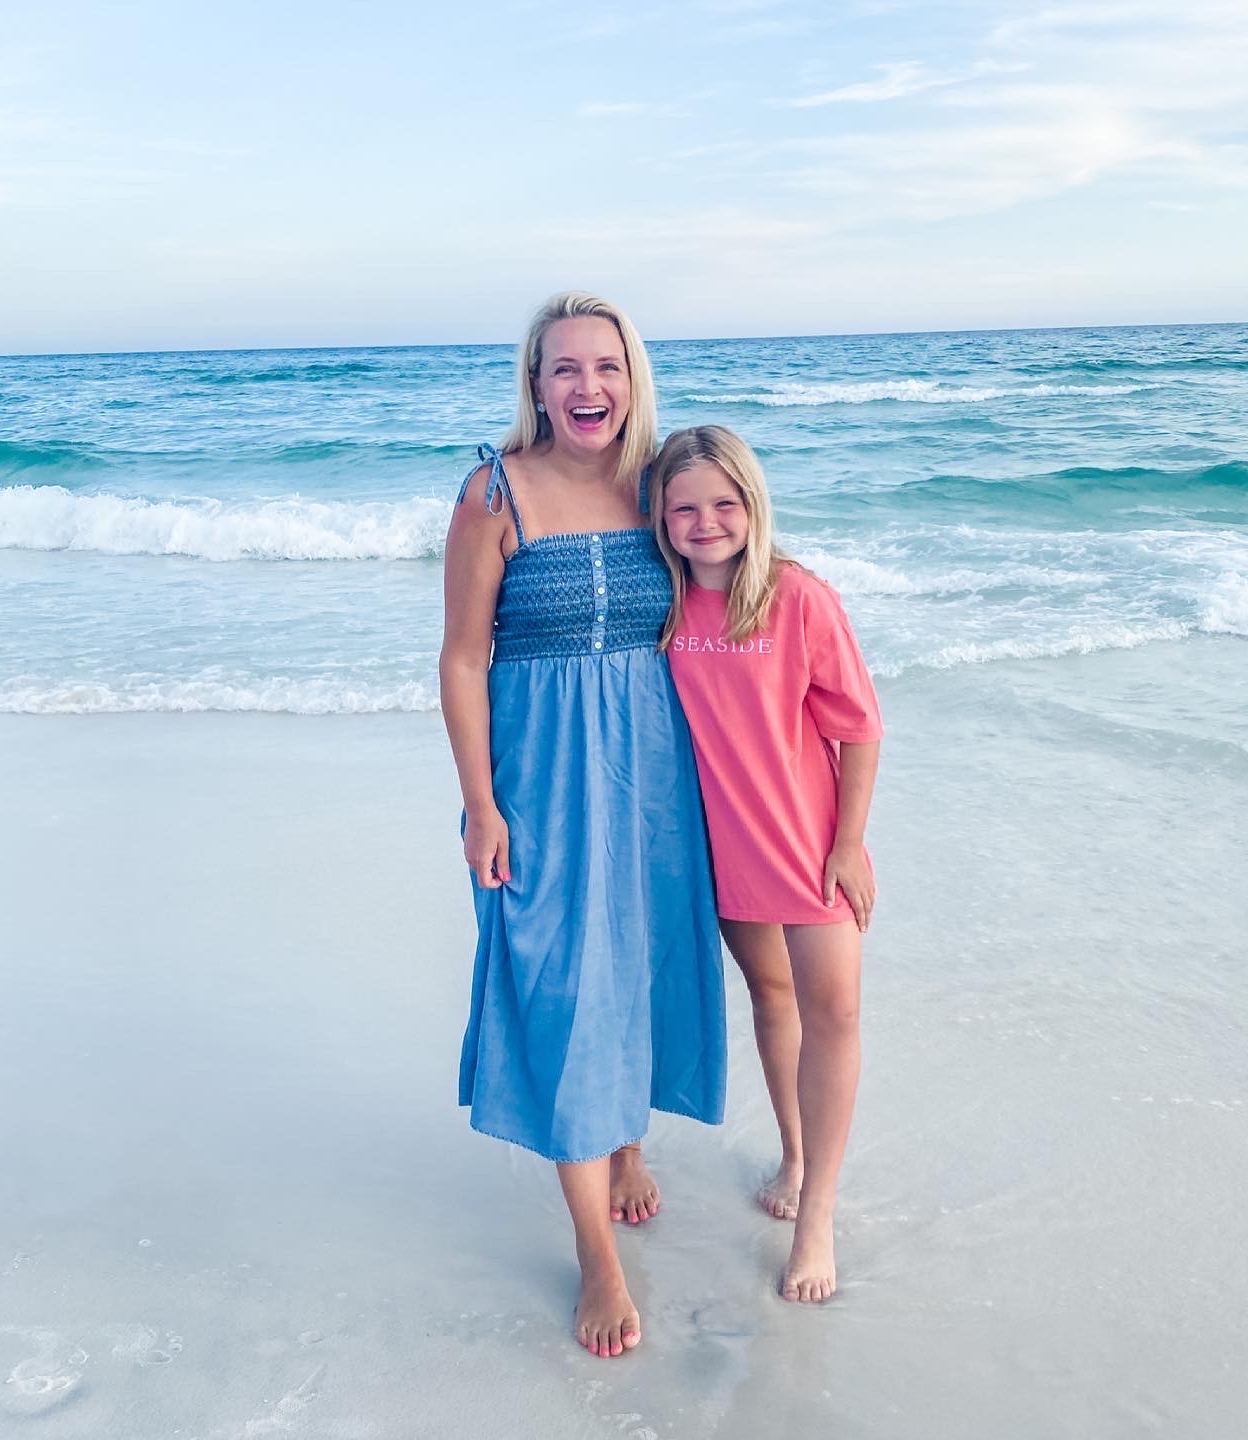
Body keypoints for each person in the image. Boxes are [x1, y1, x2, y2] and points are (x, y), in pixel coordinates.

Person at [439, 294, 726, 1358]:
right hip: (542, 772)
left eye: (607, 366)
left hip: (654, 763)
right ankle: (596, 1257)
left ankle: (629, 1141)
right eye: (566, 369)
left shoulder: (662, 486)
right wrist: (481, 803)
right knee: (562, 982)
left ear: (633, 377)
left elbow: (742, 587)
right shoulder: (494, 490)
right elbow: (463, 657)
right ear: (536, 383)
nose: (588, 387)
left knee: (640, 960)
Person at [649, 425, 882, 1304]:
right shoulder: (664, 608)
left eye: (723, 503)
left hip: (810, 844)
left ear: (751, 505)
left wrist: (849, 842)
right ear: (662, 519)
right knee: (771, 995)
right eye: (684, 507)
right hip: (724, 848)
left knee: (836, 1009)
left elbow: (858, 728)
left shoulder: (797, 598)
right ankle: (792, 1153)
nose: (706, 522)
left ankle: (817, 1211)